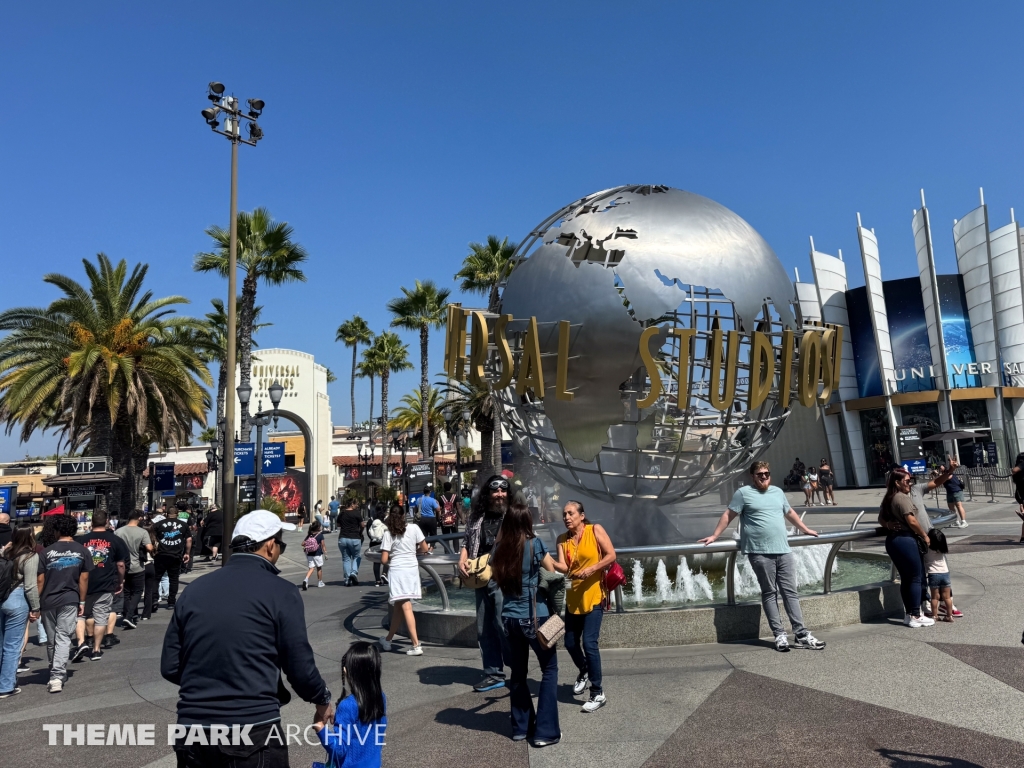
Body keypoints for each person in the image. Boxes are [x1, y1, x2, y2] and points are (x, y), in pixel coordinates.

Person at [161, 510, 333, 767]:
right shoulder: (281, 592)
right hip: (252, 727)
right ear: (270, 545)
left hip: (191, 729)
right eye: (281, 543)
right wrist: (322, 699)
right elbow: (299, 666)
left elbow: (170, 666)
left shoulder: (194, 590)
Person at [700, 461, 827, 652]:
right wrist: (715, 536)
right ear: (752, 476)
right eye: (760, 474)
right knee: (769, 593)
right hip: (759, 552)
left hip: (783, 549)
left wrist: (806, 529)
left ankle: (801, 634)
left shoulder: (777, 492)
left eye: (767, 473)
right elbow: (728, 515)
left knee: (790, 592)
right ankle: (780, 636)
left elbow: (790, 512)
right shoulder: (743, 494)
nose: (764, 477)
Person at [491, 502, 561, 746]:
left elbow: (492, 573)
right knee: (549, 669)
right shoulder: (535, 543)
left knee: (518, 673)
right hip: (535, 616)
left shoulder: (500, 549)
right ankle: (545, 731)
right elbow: (551, 573)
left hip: (509, 619)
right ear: (527, 521)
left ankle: (521, 728)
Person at [553, 500, 615, 713]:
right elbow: (562, 567)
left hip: (594, 596)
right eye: (564, 514)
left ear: (581, 515)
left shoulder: (594, 530)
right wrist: (542, 558)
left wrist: (592, 569)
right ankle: (584, 670)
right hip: (573, 598)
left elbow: (611, 555)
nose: (566, 517)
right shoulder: (562, 540)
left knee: (590, 644)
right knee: (570, 642)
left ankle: (597, 692)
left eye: (570, 513)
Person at [878, 463, 955, 628]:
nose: (909, 483)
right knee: (915, 577)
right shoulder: (901, 497)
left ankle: (910, 614)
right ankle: (915, 614)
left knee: (907, 578)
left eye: (910, 480)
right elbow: (911, 520)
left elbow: (881, 518)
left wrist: (889, 526)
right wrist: (924, 535)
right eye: (906, 480)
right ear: (897, 482)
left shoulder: (889, 497)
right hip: (906, 540)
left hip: (894, 541)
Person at [458, 475, 512, 692]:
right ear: (488, 494)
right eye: (495, 490)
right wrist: (461, 558)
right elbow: (466, 541)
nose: (499, 494)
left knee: (503, 625)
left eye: (503, 490)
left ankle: (517, 667)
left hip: (504, 578)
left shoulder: (513, 515)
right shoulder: (477, 517)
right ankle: (493, 673)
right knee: (484, 628)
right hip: (480, 576)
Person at [40, 515, 93, 693]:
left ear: (57, 531)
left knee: (52, 639)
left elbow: (40, 580)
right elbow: (84, 579)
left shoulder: (46, 552)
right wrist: (82, 600)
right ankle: (57, 674)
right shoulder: (82, 550)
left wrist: (35, 603)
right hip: (70, 598)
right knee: (63, 637)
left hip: (48, 599)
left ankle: (54, 670)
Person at [314, 641, 387, 768]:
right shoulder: (380, 697)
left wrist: (319, 727)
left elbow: (339, 749)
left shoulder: (347, 706)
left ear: (346, 671)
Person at [72, 510, 127, 662]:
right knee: (101, 615)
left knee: (83, 614)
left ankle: (82, 642)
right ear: (107, 522)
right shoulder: (115, 540)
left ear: (91, 523)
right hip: (106, 582)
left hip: (85, 583)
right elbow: (121, 564)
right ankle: (96, 649)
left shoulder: (82, 540)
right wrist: (120, 580)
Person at [379, 504, 428, 655]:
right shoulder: (414, 528)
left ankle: (416, 644)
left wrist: (392, 560)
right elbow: (424, 548)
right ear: (404, 515)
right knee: (400, 607)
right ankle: (388, 639)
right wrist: (414, 551)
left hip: (397, 571)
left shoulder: (389, 534)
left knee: (405, 606)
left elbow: (384, 559)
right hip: (412, 570)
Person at [0, 528, 40, 698]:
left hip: (2, 596)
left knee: (1, 643)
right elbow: (31, 586)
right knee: (12, 646)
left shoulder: (7, 553)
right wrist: (36, 608)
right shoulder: (30, 556)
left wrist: (3, 551)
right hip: (17, 599)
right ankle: (5, 686)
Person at [116, 509, 153, 629]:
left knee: (126, 593)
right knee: (137, 592)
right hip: (137, 566)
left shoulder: (118, 532)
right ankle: (130, 615)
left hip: (122, 566)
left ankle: (127, 614)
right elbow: (149, 548)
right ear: (139, 519)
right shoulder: (142, 532)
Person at [153, 512, 191, 609]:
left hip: (161, 554)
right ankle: (171, 602)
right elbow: (189, 540)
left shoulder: (159, 524)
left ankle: (154, 600)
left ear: (167, 514)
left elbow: (152, 537)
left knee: (156, 578)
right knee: (173, 579)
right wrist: (187, 553)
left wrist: (153, 549)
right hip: (176, 554)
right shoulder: (184, 525)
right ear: (177, 514)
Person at [925, 528, 955, 622]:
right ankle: (949, 616)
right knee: (947, 597)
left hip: (933, 574)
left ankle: (935, 616)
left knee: (934, 597)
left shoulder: (927, 550)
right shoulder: (942, 549)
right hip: (945, 573)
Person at [338, 500, 366, 586]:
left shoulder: (342, 513)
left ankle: (347, 579)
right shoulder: (357, 513)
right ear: (352, 504)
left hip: (343, 538)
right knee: (356, 556)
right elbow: (362, 525)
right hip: (354, 538)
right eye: (356, 504)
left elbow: (338, 525)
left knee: (346, 559)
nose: (357, 506)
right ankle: (353, 573)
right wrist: (360, 532)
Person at [367, 504, 389, 587]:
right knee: (387, 558)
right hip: (384, 542)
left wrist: (373, 538)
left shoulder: (371, 519)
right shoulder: (385, 519)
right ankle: (384, 574)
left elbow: (368, 531)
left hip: (373, 542)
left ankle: (377, 580)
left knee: (376, 562)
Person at [301, 521, 327, 590]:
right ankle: (320, 582)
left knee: (311, 568)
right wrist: (325, 553)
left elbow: (303, 544)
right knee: (319, 568)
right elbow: (323, 545)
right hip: (317, 554)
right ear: (318, 527)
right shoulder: (320, 535)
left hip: (309, 554)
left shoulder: (309, 535)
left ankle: (306, 580)